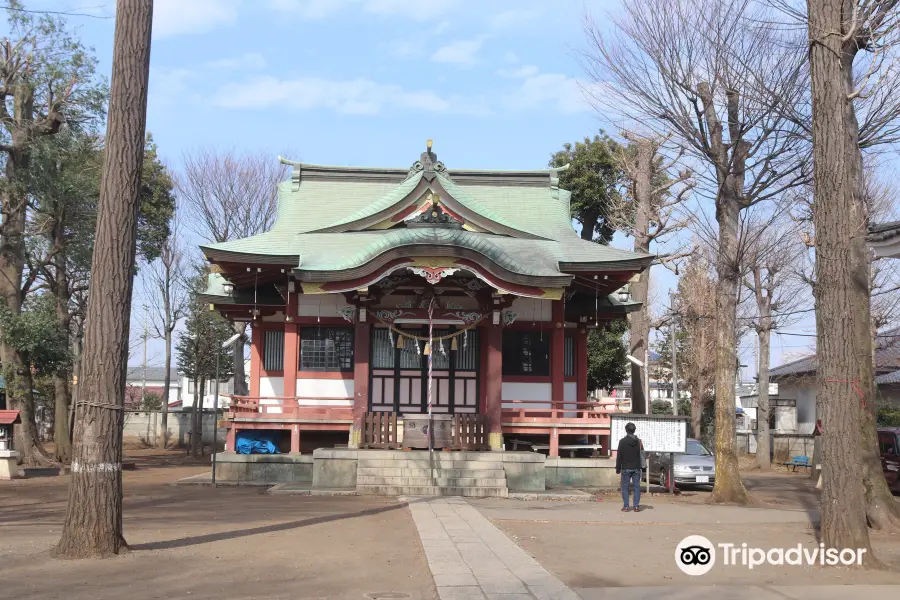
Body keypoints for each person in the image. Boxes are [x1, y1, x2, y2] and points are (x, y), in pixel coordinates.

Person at [615, 422, 644, 512]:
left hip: (626, 468)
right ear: (634, 430)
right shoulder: (639, 442)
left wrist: (618, 468)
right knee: (636, 487)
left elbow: (619, 456)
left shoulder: (622, 442)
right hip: (636, 468)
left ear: (626, 430)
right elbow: (642, 454)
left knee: (625, 487)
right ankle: (636, 507)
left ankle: (626, 506)